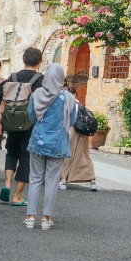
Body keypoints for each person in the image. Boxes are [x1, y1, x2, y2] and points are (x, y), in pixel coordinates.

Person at [23, 63, 82, 229]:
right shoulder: (68, 97)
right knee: (51, 182)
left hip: (38, 141)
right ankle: (46, 219)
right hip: (57, 143)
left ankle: (30, 217)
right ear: (61, 77)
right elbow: (72, 120)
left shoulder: (37, 94)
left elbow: (31, 116)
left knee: (35, 179)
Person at [0, 48, 43, 207]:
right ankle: (17, 196)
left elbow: (4, 102)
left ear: (24, 59)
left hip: (11, 121)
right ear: (39, 62)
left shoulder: (13, 77)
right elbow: (40, 105)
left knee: (11, 153)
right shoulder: (40, 79)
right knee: (25, 158)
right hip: (29, 124)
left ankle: (7, 184)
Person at [61, 69, 99, 191]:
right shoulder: (79, 103)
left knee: (67, 153)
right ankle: (92, 180)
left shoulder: (66, 99)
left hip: (73, 128)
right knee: (85, 155)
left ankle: (63, 180)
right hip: (84, 129)